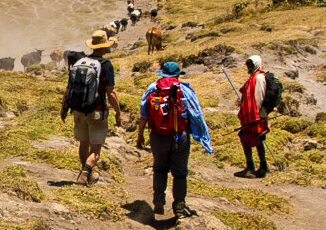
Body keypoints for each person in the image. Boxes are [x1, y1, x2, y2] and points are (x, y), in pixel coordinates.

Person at [137, 61, 213, 220]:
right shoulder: (184, 90)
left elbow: (144, 115)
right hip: (180, 136)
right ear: (178, 74)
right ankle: (179, 207)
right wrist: (202, 137)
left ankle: (158, 201)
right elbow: (196, 115)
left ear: (162, 74)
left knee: (159, 168)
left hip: (157, 136)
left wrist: (140, 136)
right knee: (179, 173)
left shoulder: (152, 88)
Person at [63, 29, 122, 184]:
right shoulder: (106, 65)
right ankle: (85, 173)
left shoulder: (79, 62)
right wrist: (118, 112)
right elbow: (111, 93)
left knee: (84, 143)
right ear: (104, 47)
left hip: (78, 110)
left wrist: (64, 108)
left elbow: (68, 87)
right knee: (96, 148)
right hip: (97, 110)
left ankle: (86, 173)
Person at [235, 55, 272, 178]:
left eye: (250, 64)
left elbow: (258, 96)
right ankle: (258, 167)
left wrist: (253, 112)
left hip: (255, 115)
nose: (249, 67)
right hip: (253, 114)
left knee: (255, 138)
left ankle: (256, 167)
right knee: (252, 138)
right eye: (248, 65)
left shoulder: (259, 77)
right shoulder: (254, 77)